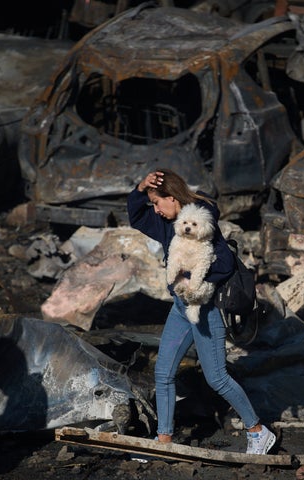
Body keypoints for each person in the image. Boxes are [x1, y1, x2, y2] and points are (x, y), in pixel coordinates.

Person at [127, 169, 275, 455]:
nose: (155, 211)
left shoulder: (202, 223)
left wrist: (197, 283)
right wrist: (140, 187)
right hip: (182, 308)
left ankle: (258, 431)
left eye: (158, 203)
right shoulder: (165, 224)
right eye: (153, 205)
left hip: (206, 308)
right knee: (163, 372)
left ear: (173, 198)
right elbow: (136, 216)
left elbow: (225, 265)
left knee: (216, 377)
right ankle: (164, 440)